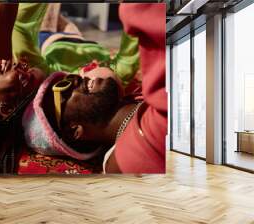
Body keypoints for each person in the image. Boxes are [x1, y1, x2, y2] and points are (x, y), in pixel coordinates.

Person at [0, 3, 141, 173]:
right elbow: (1, 19)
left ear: (7, 108)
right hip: (59, 41)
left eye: (62, 86)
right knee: (60, 25)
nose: (75, 77)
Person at [31, 3, 167, 173]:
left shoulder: (141, 98)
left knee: (53, 16)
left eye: (70, 77)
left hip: (65, 39)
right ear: (74, 130)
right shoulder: (131, 153)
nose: (76, 77)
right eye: (62, 87)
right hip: (53, 43)